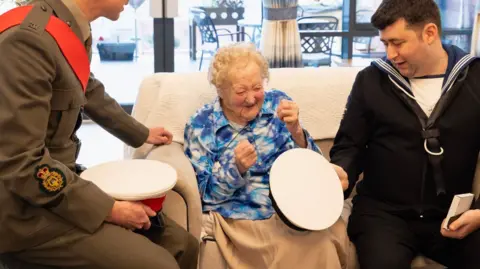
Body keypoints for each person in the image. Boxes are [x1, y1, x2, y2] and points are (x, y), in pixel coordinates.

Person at [0, 0, 198, 268]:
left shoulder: (66, 27)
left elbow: (88, 90)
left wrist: (141, 133)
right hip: (21, 213)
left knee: (183, 246)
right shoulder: (27, 41)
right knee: (159, 264)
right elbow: (22, 164)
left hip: (53, 189)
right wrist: (110, 210)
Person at [330, 0, 480, 268]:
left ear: (430, 33)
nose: (390, 54)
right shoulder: (371, 80)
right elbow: (349, 145)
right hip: (383, 216)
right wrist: (342, 171)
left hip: (454, 215)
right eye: (385, 43)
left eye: (397, 43)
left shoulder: (476, 78)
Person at [184, 42, 354, 269]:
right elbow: (205, 197)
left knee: (327, 236)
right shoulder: (202, 125)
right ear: (220, 90)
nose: (251, 98)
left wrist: (297, 132)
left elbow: (311, 165)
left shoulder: (277, 104)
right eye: (241, 91)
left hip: (295, 207)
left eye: (257, 87)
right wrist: (236, 168)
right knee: (299, 248)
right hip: (244, 214)